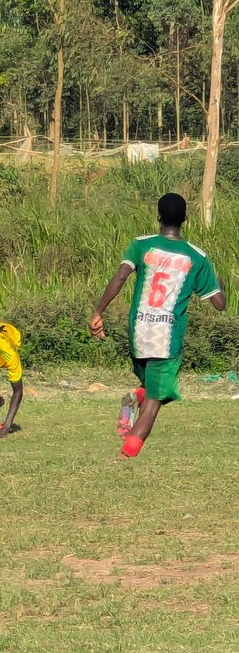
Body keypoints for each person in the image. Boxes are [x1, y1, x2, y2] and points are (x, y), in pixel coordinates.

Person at [91, 192, 226, 458]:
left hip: (138, 332)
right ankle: (129, 452)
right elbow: (220, 304)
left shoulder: (141, 245)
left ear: (158, 216)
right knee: (157, 398)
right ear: (185, 218)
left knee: (152, 387)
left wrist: (98, 312)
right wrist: (222, 285)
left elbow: (119, 279)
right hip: (168, 338)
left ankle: (136, 398)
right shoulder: (197, 257)